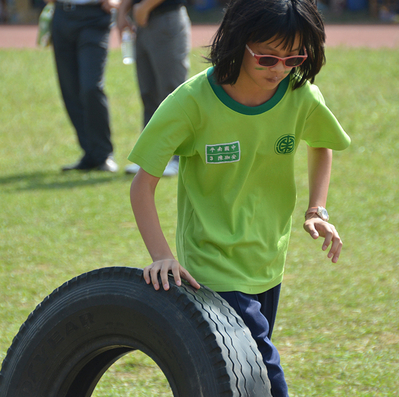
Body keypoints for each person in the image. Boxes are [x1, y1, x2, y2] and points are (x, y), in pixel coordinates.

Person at [129, 0, 351, 395]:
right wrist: (162, 255)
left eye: (294, 58)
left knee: (235, 375)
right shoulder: (192, 102)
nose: (280, 70)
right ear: (238, 42)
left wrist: (316, 208)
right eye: (267, 58)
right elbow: (142, 184)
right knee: (263, 375)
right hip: (211, 265)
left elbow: (322, 143)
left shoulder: (300, 95)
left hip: (268, 258)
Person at [117, 0, 190, 176]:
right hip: (143, 23)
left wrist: (145, 6)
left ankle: (178, 158)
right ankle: (150, 158)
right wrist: (122, 11)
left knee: (172, 92)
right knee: (149, 93)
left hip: (166, 17)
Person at [49, 0, 119, 172]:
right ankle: (90, 154)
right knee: (70, 89)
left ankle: (104, 154)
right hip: (62, 14)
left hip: (94, 16)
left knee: (90, 87)